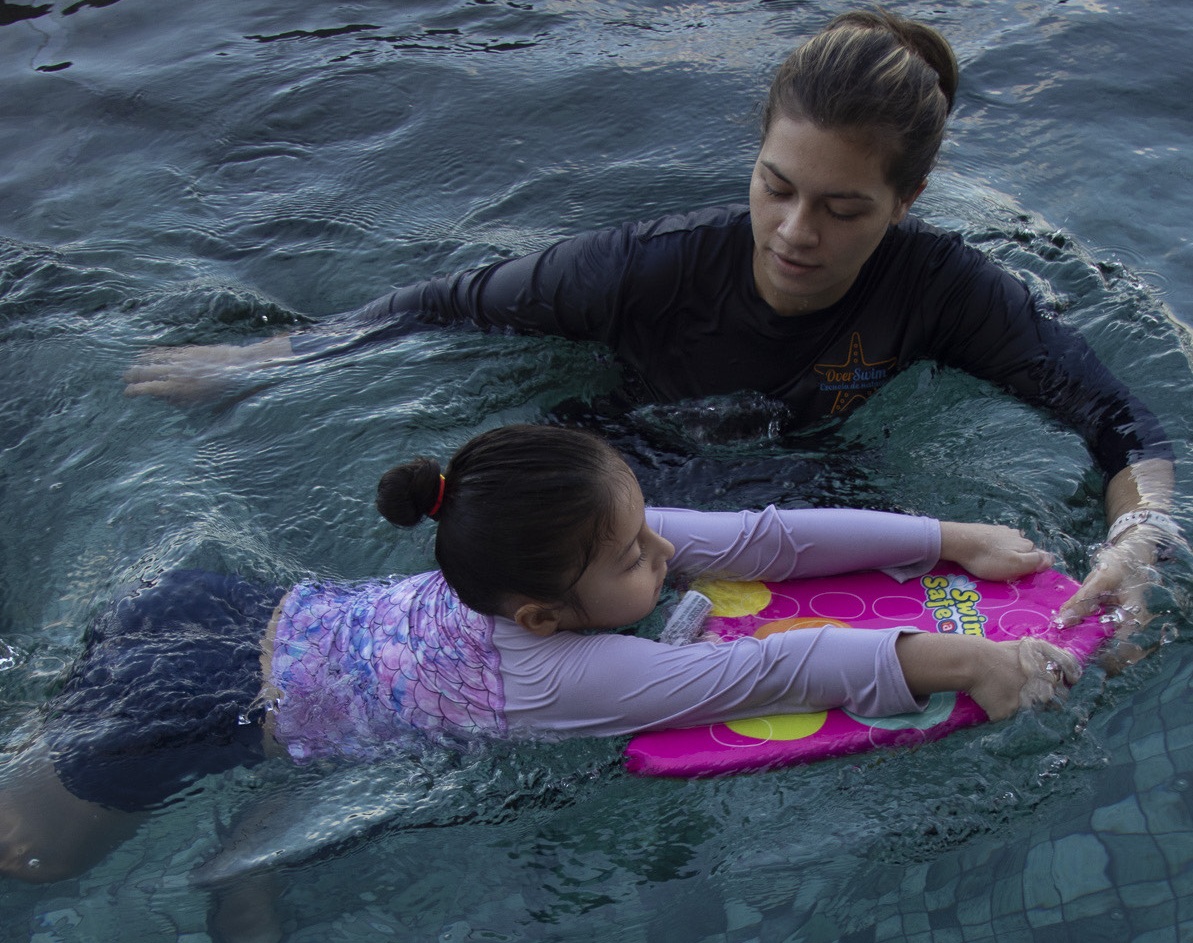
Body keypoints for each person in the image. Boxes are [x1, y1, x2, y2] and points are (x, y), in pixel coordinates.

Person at [122, 10, 1179, 631]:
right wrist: (267, 360)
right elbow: (444, 303)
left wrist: (1139, 532)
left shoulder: (941, 286)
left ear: (902, 205)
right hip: (616, 481)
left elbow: (1114, 415)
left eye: (842, 207)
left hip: (801, 481)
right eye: (775, 186)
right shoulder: (649, 266)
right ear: (753, 159)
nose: (793, 231)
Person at [2, 424, 1077, 891]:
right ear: (544, 613)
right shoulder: (559, 676)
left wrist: (945, 538)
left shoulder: (569, 541)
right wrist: (961, 662)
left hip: (215, 609)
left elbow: (762, 537)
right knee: (35, 855)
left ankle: (248, 863)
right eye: (634, 554)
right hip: (188, 716)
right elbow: (769, 673)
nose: (660, 550)